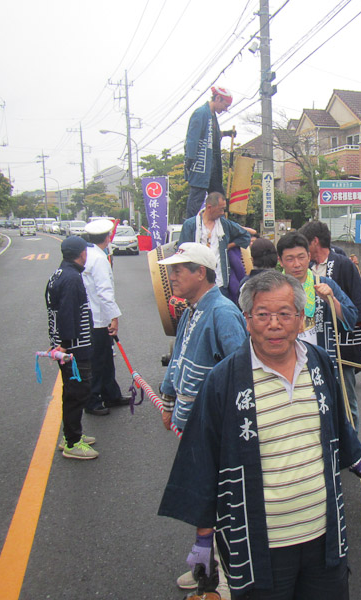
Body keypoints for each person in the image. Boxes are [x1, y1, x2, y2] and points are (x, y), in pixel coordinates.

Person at [158, 270, 361, 598]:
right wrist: (204, 538)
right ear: (247, 320)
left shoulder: (319, 363)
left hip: (323, 535)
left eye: (285, 314)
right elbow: (202, 460)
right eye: (262, 314)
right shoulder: (223, 381)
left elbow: (336, 422)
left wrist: (358, 461)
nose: (274, 324)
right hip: (260, 545)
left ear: (300, 319)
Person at [157, 242, 248, 593]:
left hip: (215, 428)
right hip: (193, 425)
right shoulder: (191, 311)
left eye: (179, 269)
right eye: (171, 270)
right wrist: (168, 403)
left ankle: (223, 576)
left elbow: (241, 372)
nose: (172, 275)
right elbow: (177, 361)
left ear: (201, 273)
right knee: (202, 496)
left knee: (220, 501)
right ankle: (206, 566)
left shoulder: (223, 312)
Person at [299, 220, 361, 430]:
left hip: (341, 345)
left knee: (346, 402)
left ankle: (352, 445)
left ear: (314, 241)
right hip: (314, 344)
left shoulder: (343, 264)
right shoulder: (308, 268)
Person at [45, 236, 98, 460]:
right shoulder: (72, 278)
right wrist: (66, 345)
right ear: (81, 253)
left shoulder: (59, 274)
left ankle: (71, 434)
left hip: (65, 345)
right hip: (73, 348)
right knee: (78, 392)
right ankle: (72, 442)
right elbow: (68, 313)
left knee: (71, 391)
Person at [276, 232, 357, 378]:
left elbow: (352, 317)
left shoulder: (325, 284)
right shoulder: (273, 290)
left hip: (320, 364)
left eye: (301, 257)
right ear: (280, 261)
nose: (297, 264)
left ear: (309, 256)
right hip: (284, 364)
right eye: (290, 259)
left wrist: (331, 300)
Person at [81, 219, 130, 416]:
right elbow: (104, 292)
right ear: (108, 238)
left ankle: (111, 394)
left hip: (92, 315)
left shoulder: (88, 254)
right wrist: (114, 317)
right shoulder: (99, 259)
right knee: (98, 360)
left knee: (106, 358)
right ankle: (92, 400)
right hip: (98, 318)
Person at [180, 191, 251, 299]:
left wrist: (229, 246)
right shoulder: (191, 225)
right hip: (197, 282)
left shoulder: (224, 224)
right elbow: (182, 253)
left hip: (220, 281)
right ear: (209, 207)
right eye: (220, 209)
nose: (223, 212)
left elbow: (245, 236)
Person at [184, 86, 235, 219]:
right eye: (225, 105)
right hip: (201, 165)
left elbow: (212, 136)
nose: (225, 109)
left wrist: (226, 133)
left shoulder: (212, 116)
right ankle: (190, 227)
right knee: (196, 200)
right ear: (217, 98)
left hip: (213, 167)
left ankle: (221, 226)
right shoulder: (201, 113)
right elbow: (192, 138)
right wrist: (190, 159)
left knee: (219, 199)